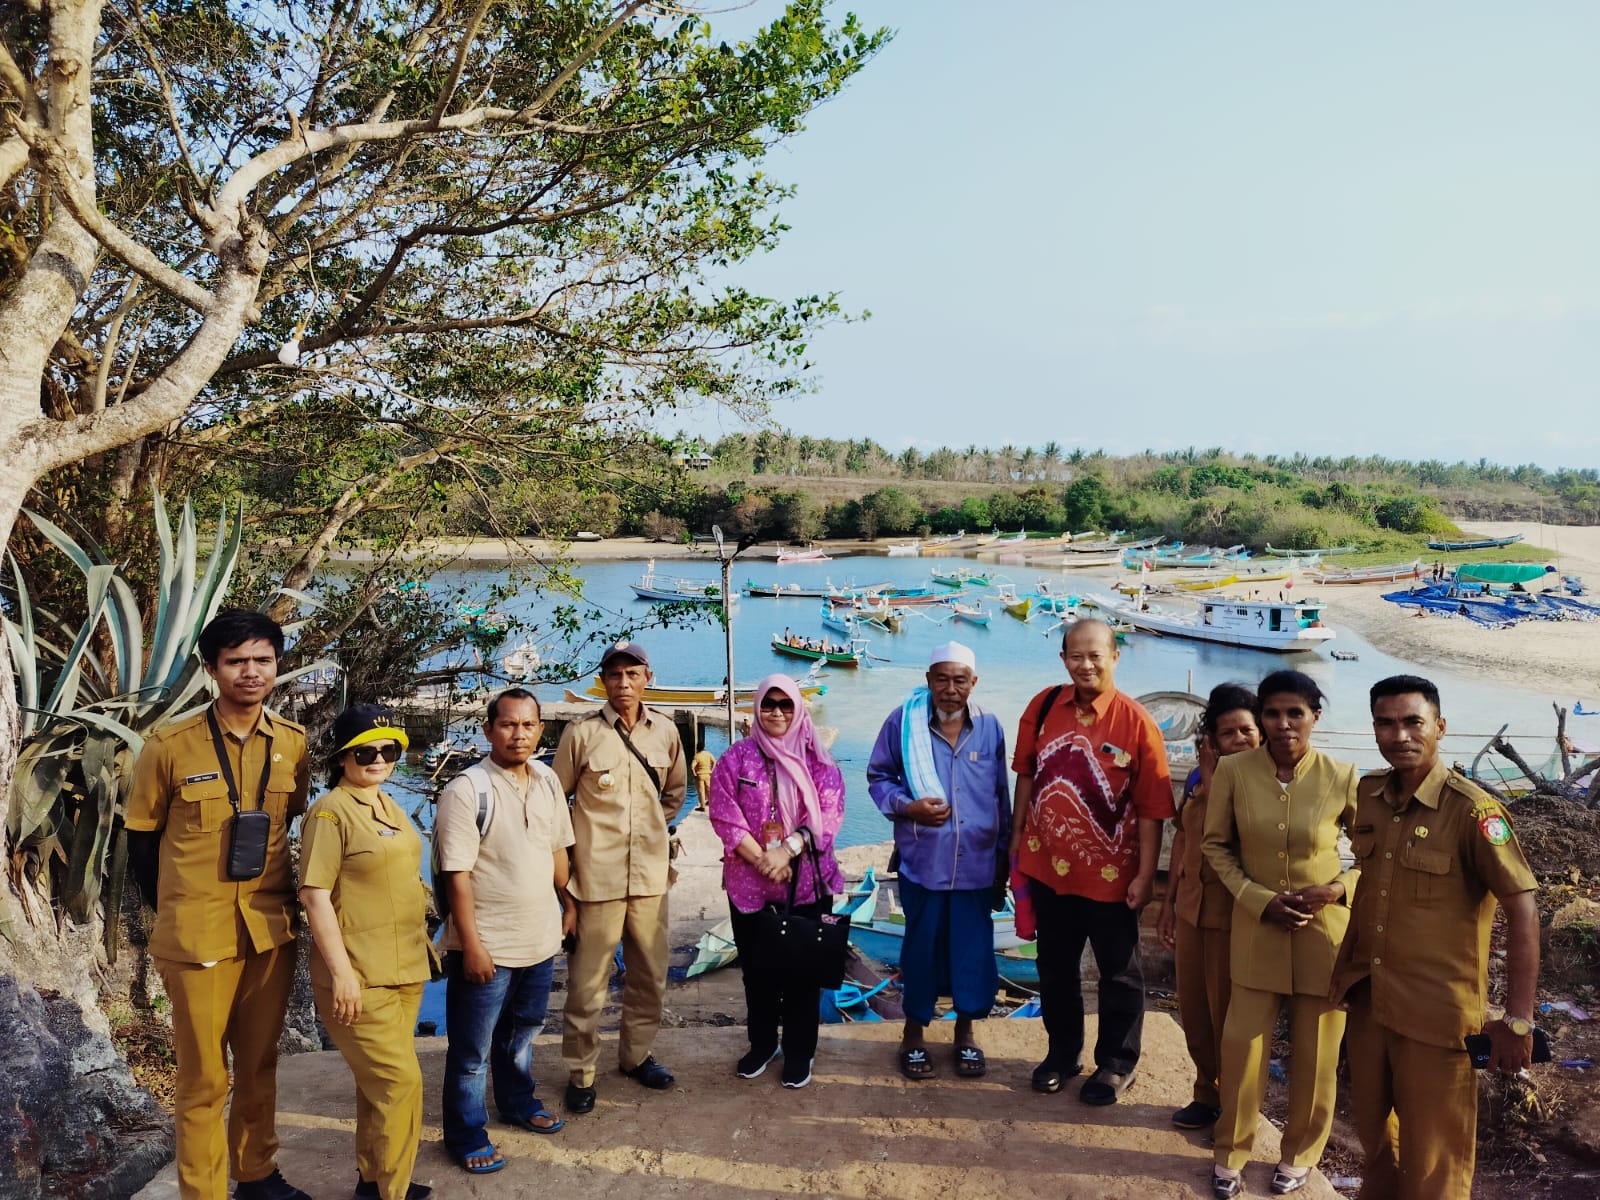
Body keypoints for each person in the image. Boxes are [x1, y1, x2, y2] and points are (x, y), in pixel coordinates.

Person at [1329, 675, 1540, 1199]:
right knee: (1375, 1143)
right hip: (1371, 1000)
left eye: (1412, 722)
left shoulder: (1474, 811)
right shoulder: (1369, 796)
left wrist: (1518, 1018)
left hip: (1438, 1016)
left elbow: (1522, 907)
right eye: (1385, 722)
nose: (1399, 734)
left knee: (1434, 1163)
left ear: (1439, 727)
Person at [125, 610, 312, 1200]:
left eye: (262, 660)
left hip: (270, 931)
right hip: (198, 936)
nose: (250, 672)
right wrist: (180, 912)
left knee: (259, 1066)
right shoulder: (169, 745)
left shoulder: (292, 743)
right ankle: (203, 1192)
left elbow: (289, 822)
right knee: (205, 1077)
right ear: (212, 670)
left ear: (276, 666)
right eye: (235, 661)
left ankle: (256, 1173)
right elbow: (141, 845)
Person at [1202, 671, 1359, 1198]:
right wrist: (1258, 900)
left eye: (1296, 713)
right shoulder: (1233, 770)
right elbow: (1216, 846)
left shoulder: (1341, 775)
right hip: (1257, 929)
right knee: (1242, 1049)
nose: (1284, 724)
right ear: (1261, 718)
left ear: (1316, 714)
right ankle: (1231, 1153)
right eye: (1273, 713)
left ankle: (1299, 1155)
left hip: (1324, 934)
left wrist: (1338, 889)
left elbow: (1372, 856)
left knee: (1317, 1057)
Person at [1009, 618, 1173, 1105]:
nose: (1086, 664)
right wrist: (1015, 844)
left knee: (1119, 973)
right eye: (1075, 655)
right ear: (1063, 659)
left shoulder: (1136, 722)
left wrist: (1145, 875)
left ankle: (1117, 1064)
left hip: (1111, 878)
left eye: (1096, 655)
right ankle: (1063, 1053)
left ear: (1115, 657)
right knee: (1055, 966)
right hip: (1046, 869)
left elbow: (1153, 808)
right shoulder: (1042, 707)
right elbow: (1024, 777)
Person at [436, 690, 576, 1174]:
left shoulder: (547, 779)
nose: (520, 734)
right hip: (489, 944)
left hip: (539, 939)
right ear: (489, 729)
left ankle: (517, 1103)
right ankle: (465, 1133)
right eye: (509, 725)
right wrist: (471, 945)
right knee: (472, 1052)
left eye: (529, 725)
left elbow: (559, 847)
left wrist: (569, 903)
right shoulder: (467, 789)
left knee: (522, 1034)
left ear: (541, 729)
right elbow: (456, 875)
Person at [299, 705, 432, 1200]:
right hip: (360, 976)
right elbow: (314, 895)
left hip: (405, 970)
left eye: (388, 749)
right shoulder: (331, 812)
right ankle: (391, 1192)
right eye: (365, 751)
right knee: (401, 1084)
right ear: (342, 757)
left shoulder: (389, 805)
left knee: (378, 1087)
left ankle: (375, 1182)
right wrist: (343, 976)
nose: (378, 758)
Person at [553, 641, 688, 1113]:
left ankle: (636, 1056)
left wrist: (652, 832)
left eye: (632, 674)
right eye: (614, 676)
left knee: (650, 976)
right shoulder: (581, 734)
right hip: (596, 881)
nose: (623, 684)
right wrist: (567, 876)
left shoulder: (667, 732)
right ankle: (582, 1071)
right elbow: (557, 805)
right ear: (603, 681)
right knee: (588, 984)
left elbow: (674, 794)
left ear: (647, 676)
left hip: (651, 879)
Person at [867, 642, 1011, 1081]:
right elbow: (879, 777)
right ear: (928, 679)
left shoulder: (989, 727)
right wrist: (908, 808)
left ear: (974, 683)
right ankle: (913, 1034)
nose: (951, 689)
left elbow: (1000, 796)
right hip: (923, 864)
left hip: (977, 867)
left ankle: (965, 1034)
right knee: (921, 951)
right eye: (942, 679)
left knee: (973, 954)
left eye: (960, 680)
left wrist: (1003, 862)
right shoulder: (902, 722)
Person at [708, 674, 845, 1088]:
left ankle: (800, 1051)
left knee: (804, 974)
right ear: (757, 708)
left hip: (805, 885)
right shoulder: (736, 758)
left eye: (787, 705)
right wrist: (764, 860)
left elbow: (828, 816)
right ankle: (763, 1043)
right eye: (769, 704)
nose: (778, 713)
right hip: (750, 887)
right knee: (757, 972)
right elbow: (724, 814)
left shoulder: (818, 761)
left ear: (799, 708)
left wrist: (786, 850)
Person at [1156, 683, 1262, 1131]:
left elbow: (1237, 834)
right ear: (1211, 738)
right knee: (1195, 1012)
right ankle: (1205, 1092)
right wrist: (1168, 903)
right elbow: (1183, 834)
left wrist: (1217, 780)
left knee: (1228, 1019)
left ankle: (1234, 1107)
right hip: (1191, 909)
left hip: (1231, 917)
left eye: (1246, 730)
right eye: (1227, 732)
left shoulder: (1264, 781)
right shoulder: (1201, 777)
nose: (1238, 739)